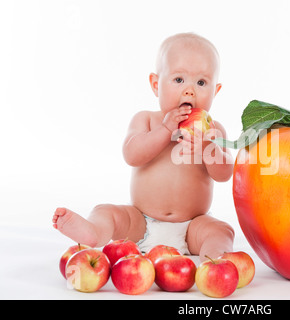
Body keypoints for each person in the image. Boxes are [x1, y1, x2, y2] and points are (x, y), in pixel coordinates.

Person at [52, 33, 235, 260]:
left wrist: (207, 148)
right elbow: (131, 154)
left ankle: (214, 261)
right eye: (179, 80)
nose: (190, 91)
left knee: (221, 230)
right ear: (156, 85)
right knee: (107, 212)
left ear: (215, 91)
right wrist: (165, 130)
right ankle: (94, 232)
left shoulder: (212, 130)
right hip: (141, 221)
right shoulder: (146, 120)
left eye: (201, 82)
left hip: (191, 227)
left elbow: (225, 173)